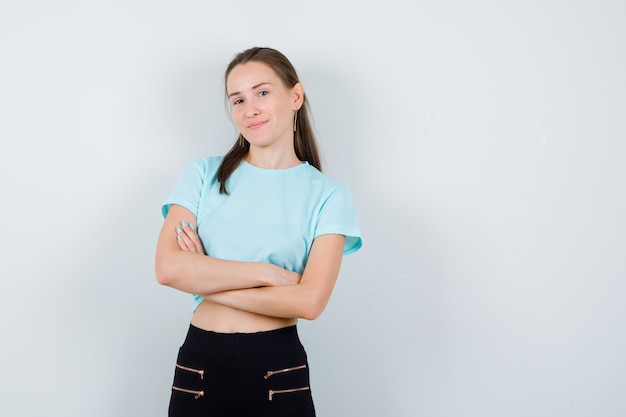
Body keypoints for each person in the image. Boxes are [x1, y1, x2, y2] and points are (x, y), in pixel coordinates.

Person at [155, 46, 362, 417]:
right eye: (237, 99)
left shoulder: (329, 195)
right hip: (200, 364)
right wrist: (266, 275)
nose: (249, 109)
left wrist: (205, 277)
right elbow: (169, 269)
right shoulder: (202, 175)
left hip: (277, 368)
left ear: (295, 96)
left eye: (262, 93)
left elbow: (309, 302)